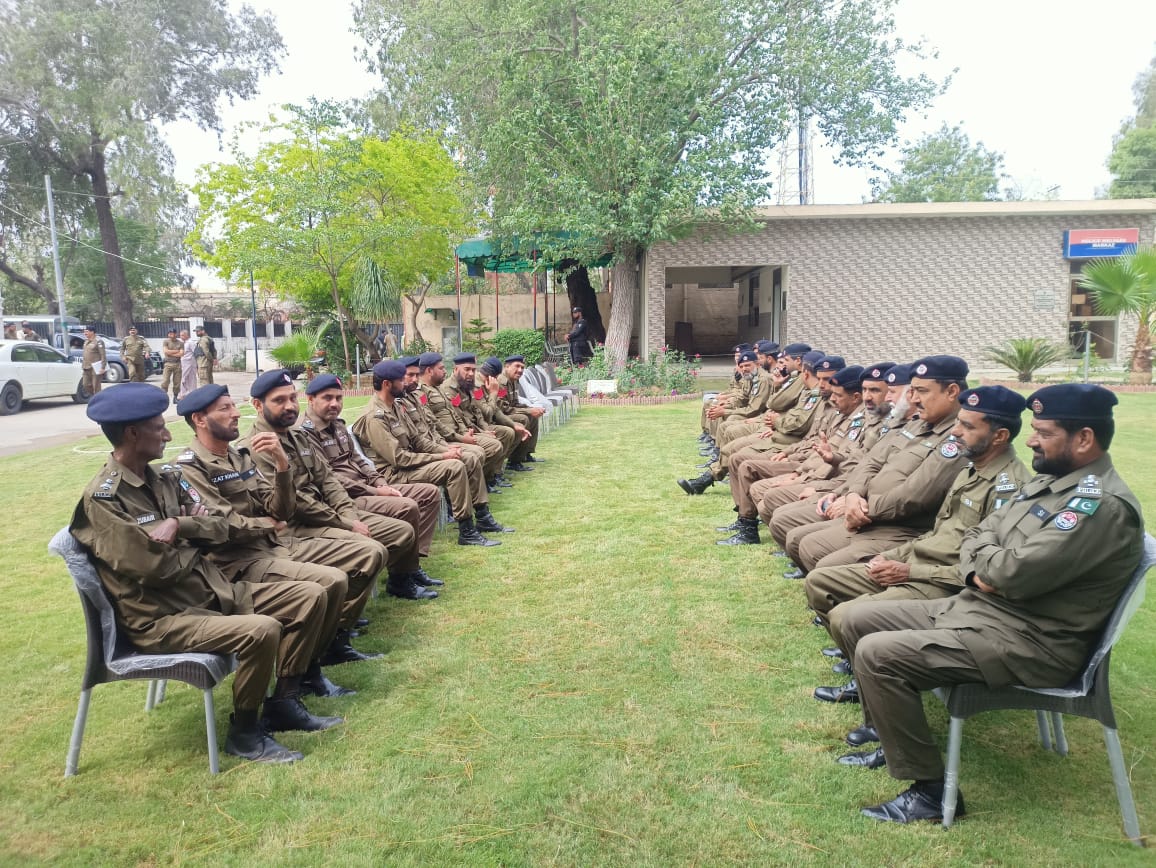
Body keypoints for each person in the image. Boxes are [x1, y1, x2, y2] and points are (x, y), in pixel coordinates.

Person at [835, 383, 1142, 824]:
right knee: (855, 618)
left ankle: (930, 792)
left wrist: (987, 565)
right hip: (983, 611)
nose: (1030, 440)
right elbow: (981, 533)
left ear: (1085, 439)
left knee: (877, 653)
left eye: (1044, 432)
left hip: (1031, 643)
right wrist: (984, 565)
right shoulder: (1050, 482)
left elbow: (1008, 574)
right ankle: (888, 736)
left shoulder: (1098, 506)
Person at [69, 383, 341, 764]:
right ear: (132, 434)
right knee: (261, 630)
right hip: (163, 618)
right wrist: (195, 541)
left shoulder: (165, 478)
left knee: (310, 595)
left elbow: (220, 526)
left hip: (209, 591)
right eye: (158, 427)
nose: (167, 435)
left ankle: (285, 701)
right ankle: (245, 733)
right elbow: (154, 568)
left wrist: (180, 526)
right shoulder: (105, 500)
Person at [807, 385, 1033, 711]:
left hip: (945, 585)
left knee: (847, 615)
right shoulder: (971, 470)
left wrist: (910, 571)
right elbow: (936, 534)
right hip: (915, 563)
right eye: (959, 422)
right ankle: (861, 665)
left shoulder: (1009, 487)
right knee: (820, 582)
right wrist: (891, 556)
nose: (955, 431)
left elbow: (986, 575)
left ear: (999, 436)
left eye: (967, 426)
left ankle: (872, 686)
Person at [173, 383, 384, 693]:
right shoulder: (191, 467)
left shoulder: (239, 457)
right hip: (237, 562)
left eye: (233, 406)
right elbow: (226, 525)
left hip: (275, 546)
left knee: (360, 559)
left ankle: (319, 655)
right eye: (225, 408)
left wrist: (283, 465)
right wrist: (267, 525)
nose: (235, 414)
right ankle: (293, 685)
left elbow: (281, 510)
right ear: (199, 419)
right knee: (329, 581)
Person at [239, 369, 434, 606]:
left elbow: (328, 480)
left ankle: (398, 582)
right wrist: (346, 524)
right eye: (279, 400)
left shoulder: (296, 436)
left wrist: (349, 515)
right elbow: (296, 503)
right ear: (258, 405)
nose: (290, 406)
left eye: (292, 398)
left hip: (331, 513)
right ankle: (339, 616)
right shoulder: (256, 447)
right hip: (298, 526)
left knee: (401, 531)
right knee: (369, 548)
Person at [353, 360, 508, 546]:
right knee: (454, 467)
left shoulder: (395, 406)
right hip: (395, 474)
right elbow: (399, 459)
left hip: (411, 465)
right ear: (387, 384)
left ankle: (482, 516)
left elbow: (418, 440)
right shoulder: (375, 417)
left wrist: (447, 450)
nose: (410, 381)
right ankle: (467, 530)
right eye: (402, 379)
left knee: (466, 458)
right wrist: (442, 456)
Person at [299, 373, 444, 572]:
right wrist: (375, 491)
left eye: (339, 398)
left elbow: (358, 460)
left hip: (369, 486)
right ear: (310, 399)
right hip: (347, 497)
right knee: (407, 506)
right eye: (327, 398)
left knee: (428, 493)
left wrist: (379, 482)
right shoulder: (305, 433)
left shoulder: (337, 425)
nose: (335, 404)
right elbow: (330, 478)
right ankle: (403, 573)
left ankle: (412, 558)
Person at [81, 327, 107, 396]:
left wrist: (103, 367)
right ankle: (96, 396)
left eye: (86, 331)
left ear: (92, 332)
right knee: (85, 385)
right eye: (84, 332)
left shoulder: (98, 341)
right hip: (86, 367)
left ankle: (97, 398)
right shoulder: (86, 341)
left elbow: (103, 354)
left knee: (96, 386)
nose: (85, 333)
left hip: (95, 367)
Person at [160, 328, 184, 403]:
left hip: (177, 364)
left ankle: (175, 398)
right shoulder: (166, 341)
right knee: (165, 381)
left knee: (177, 382)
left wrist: (170, 353)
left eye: (172, 333)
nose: (170, 334)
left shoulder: (180, 343)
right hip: (168, 364)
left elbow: (181, 354)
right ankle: (163, 398)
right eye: (169, 333)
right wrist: (177, 351)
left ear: (175, 334)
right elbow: (166, 351)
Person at [179, 329, 198, 399]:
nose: (181, 337)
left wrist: (197, 364)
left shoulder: (191, 343)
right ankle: (184, 394)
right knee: (185, 378)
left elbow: (195, 353)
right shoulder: (182, 343)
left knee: (191, 379)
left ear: (187, 335)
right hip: (184, 363)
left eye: (182, 335)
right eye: (180, 335)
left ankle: (192, 393)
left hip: (190, 363)